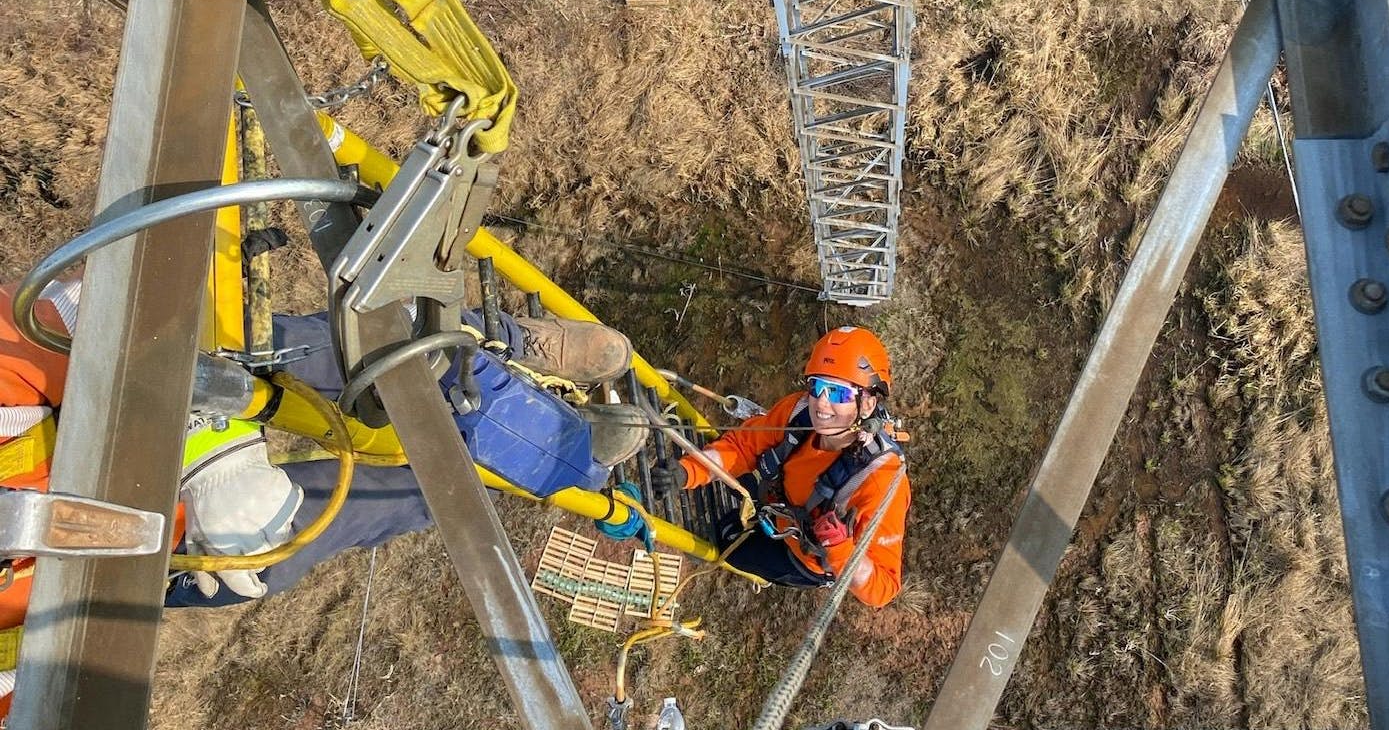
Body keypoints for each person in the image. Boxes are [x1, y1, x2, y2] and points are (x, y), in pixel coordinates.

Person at [0, 278, 637, 713]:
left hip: (85, 405)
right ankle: (498, 465)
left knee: (247, 355)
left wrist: (202, 437)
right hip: (103, 557)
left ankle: (479, 350)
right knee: (263, 554)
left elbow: (77, 304)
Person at [652, 327, 911, 608]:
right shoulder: (797, 412)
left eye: (837, 393)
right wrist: (687, 471)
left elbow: (883, 589)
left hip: (802, 557)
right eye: (816, 386)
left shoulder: (879, 481)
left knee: (727, 543)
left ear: (868, 403)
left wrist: (840, 548)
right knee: (742, 489)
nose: (821, 403)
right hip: (777, 503)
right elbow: (743, 446)